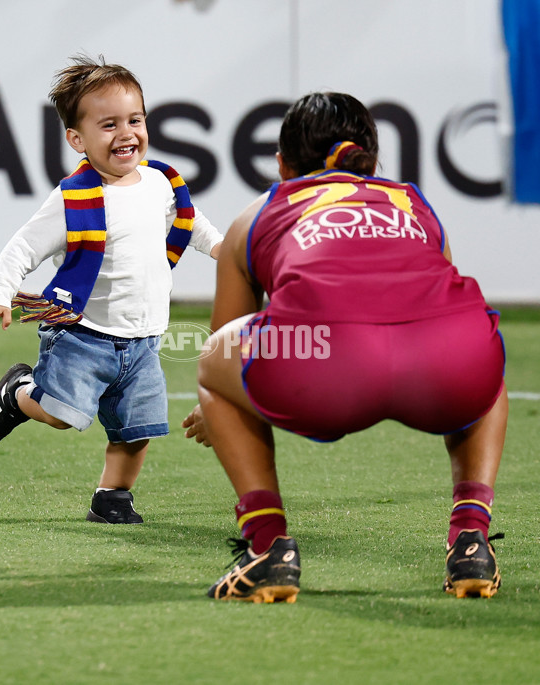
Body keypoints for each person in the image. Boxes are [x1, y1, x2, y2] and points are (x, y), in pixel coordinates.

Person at [182, 91, 508, 603]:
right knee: (480, 349)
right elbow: (439, 293)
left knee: (210, 359)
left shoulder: (255, 216)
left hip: (323, 373)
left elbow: (232, 336)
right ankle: (471, 535)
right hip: (448, 372)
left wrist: (217, 407)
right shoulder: (413, 202)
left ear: (281, 164)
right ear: (371, 161)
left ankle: (268, 547)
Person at [0, 55, 223, 524]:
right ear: (77, 139)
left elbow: (196, 226)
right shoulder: (73, 197)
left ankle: (112, 498)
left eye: (135, 119)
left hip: (145, 339)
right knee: (62, 415)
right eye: (108, 125)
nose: (126, 133)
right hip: (83, 333)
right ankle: (17, 393)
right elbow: (22, 247)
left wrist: (228, 251)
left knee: (136, 430)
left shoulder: (161, 182)